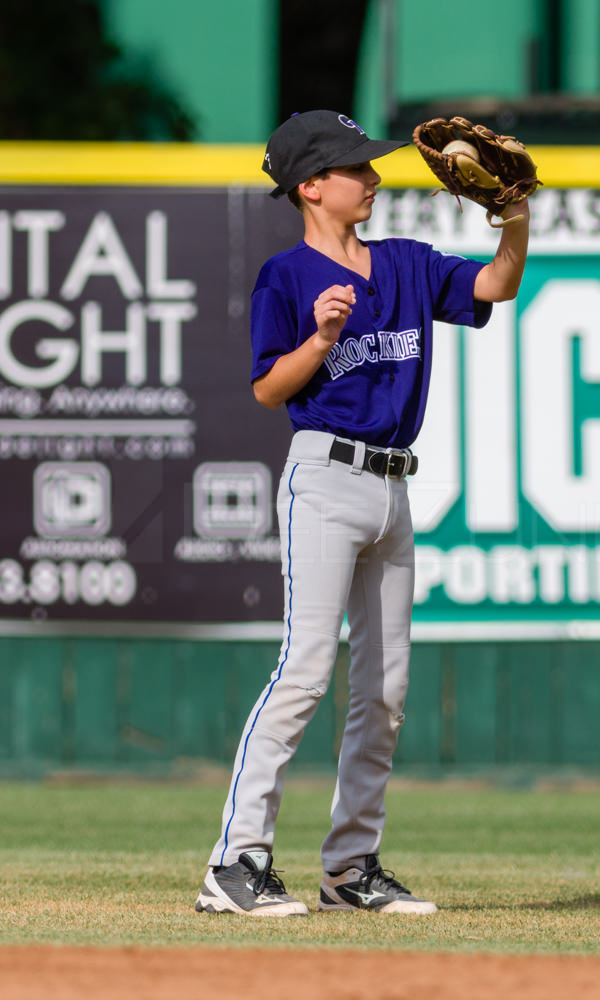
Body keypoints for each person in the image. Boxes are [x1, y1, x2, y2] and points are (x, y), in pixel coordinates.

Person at [195, 109, 530, 917]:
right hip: (325, 477)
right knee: (307, 667)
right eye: (355, 168)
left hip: (393, 488)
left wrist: (515, 217)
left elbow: (496, 284)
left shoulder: (407, 264)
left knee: (384, 690)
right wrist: (317, 340)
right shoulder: (287, 277)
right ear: (312, 186)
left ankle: (351, 869)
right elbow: (269, 390)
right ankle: (234, 862)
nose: (373, 176)